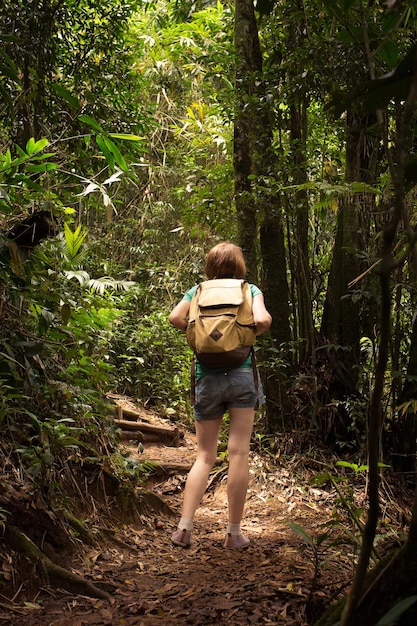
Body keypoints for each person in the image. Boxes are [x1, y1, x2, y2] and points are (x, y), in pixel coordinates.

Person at [168, 242, 272, 549]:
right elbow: (263, 320)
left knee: (204, 455)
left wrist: (203, 334)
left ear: (210, 266)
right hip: (242, 374)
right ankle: (233, 533)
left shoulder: (197, 291)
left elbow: (175, 318)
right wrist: (241, 334)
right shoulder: (249, 290)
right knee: (238, 452)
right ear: (239, 265)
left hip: (206, 376)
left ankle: (184, 529)